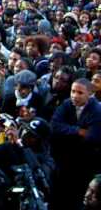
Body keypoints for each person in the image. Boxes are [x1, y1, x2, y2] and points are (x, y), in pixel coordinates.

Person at [51, 78, 101, 210]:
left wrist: (65, 134)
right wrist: (77, 131)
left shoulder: (97, 110)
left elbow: (91, 137)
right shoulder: (67, 104)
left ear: (89, 94)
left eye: (80, 93)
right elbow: (54, 126)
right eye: (73, 91)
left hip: (85, 165)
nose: (74, 96)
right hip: (64, 162)